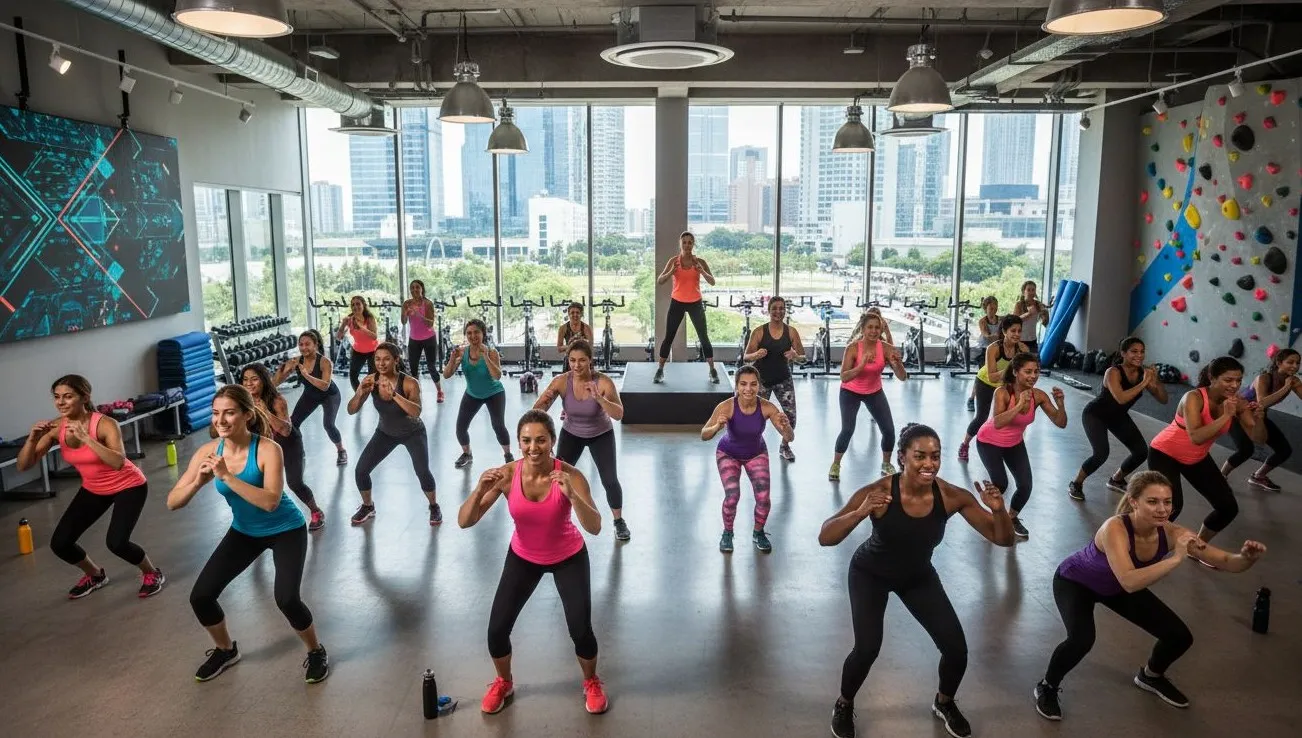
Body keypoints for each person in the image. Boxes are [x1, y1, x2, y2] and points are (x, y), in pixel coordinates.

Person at [821, 423, 1014, 738]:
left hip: (917, 575)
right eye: (920, 456)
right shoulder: (879, 491)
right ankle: (844, 703)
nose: (929, 464)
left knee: (956, 649)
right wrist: (861, 512)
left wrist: (999, 511)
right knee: (868, 648)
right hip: (870, 573)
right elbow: (825, 537)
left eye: (935, 457)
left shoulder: (951, 496)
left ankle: (944, 702)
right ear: (902, 458)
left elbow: (1002, 538)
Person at [1033, 471, 1266, 721]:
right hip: (1076, 582)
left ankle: (1151, 676)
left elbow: (1227, 561)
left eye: (1167, 502)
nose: (1162, 509)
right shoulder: (1115, 528)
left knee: (1179, 636)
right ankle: (1047, 686)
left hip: (1115, 588)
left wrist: (1246, 558)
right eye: (1152, 501)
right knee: (1081, 639)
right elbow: (1130, 581)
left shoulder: (1174, 533)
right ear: (1134, 502)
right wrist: (1177, 558)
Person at [166, 384, 328, 684]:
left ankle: (316, 650)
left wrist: (226, 475)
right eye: (216, 413)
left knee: (287, 599)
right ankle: (226, 650)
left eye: (229, 413)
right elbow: (173, 501)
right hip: (244, 531)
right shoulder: (207, 451)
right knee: (201, 596)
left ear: (247, 415)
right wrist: (198, 482)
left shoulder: (268, 449)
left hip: (286, 530)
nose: (221, 420)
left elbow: (270, 501)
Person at [458, 410, 608, 716]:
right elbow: (465, 521)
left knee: (580, 630)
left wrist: (572, 496)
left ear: (552, 441)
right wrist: (478, 490)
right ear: (518, 441)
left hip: (568, 556)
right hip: (524, 556)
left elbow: (595, 526)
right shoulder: (507, 475)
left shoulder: (570, 475)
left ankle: (591, 680)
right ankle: (504, 681)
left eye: (541, 440)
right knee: (496, 631)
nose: (533, 447)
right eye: (526, 440)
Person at [17, 375, 165, 599]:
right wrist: (32, 439)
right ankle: (95, 575)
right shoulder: (56, 427)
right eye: (57, 397)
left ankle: (151, 572)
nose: (61, 402)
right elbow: (24, 465)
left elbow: (118, 462)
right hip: (94, 488)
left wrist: (87, 438)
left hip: (128, 485)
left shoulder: (105, 424)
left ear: (84, 397)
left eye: (68, 396)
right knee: (60, 543)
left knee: (117, 543)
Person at [1146, 357, 1264, 544]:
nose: (1234, 385)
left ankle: (1198, 546)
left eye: (1239, 380)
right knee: (1172, 506)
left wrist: (1259, 418)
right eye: (1228, 380)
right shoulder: (1193, 398)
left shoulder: (1236, 402)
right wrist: (1226, 415)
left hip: (1195, 458)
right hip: (1164, 453)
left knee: (1227, 507)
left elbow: (1259, 438)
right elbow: (1197, 437)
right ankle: (1139, 544)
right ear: (1212, 378)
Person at [535, 339, 630, 541]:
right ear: (568, 360)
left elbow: (619, 414)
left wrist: (600, 400)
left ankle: (618, 521)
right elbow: (538, 410)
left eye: (582, 360)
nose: (577, 365)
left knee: (610, 480)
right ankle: (550, 518)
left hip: (601, 434)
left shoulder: (603, 382)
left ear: (590, 360)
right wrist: (546, 437)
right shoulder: (561, 381)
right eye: (572, 360)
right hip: (571, 434)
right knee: (556, 476)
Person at [973, 352, 1068, 539]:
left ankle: (1010, 517)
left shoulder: (1039, 396)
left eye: (1036, 371)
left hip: (1014, 443)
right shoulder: (1002, 392)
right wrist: (1018, 405)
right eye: (1028, 372)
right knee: (1001, 483)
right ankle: (985, 515)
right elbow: (998, 422)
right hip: (988, 441)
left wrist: (1061, 405)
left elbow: (1061, 422)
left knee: (1025, 485)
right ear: (1016, 372)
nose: (1033, 376)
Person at [701, 364, 794, 552]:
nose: (748, 389)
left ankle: (758, 532)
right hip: (728, 453)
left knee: (763, 497)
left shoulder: (767, 407)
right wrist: (717, 428)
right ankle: (728, 533)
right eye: (743, 384)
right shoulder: (727, 406)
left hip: (756, 453)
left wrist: (786, 427)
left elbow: (789, 437)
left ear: (759, 386)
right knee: (732, 495)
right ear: (737, 386)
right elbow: (704, 434)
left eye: (753, 384)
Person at [346, 342, 440, 527]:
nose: (381, 363)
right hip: (385, 433)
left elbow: (416, 412)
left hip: (413, 433)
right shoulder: (371, 381)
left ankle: (434, 505)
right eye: (377, 359)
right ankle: (368, 506)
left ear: (396, 360)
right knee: (361, 470)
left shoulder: (409, 383)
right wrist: (360, 393)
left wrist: (395, 395)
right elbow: (351, 410)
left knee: (422, 472)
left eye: (386, 359)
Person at [1068, 337, 1169, 501]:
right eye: (1134, 351)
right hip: (1096, 414)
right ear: (1123, 353)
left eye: (1142, 352)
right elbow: (1121, 398)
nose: (1139, 355)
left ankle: (1116, 479)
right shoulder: (1113, 372)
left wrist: (1155, 381)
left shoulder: (1141, 373)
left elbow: (1163, 399)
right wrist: (1144, 383)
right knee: (1101, 454)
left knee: (1141, 451)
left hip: (1118, 416)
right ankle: (1076, 483)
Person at [242, 364, 325, 531]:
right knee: (254, 481)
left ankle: (316, 511)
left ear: (263, 381)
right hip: (266, 448)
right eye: (245, 380)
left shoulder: (277, 401)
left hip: (289, 444)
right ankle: (259, 519)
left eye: (254, 379)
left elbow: (285, 430)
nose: (249, 384)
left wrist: (264, 410)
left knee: (295, 483)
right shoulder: (245, 402)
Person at [829, 311, 907, 482]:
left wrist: (897, 363)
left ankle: (886, 464)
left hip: (874, 391)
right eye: (870, 327)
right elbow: (844, 377)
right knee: (847, 430)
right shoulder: (853, 348)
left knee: (888, 430)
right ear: (863, 329)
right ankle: (836, 464)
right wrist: (862, 364)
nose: (873, 331)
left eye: (877, 328)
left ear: (881, 330)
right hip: (850, 391)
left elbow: (902, 377)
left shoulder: (886, 348)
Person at [1221, 347, 1300, 490]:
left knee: (1284, 450)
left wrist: (1294, 384)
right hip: (1237, 413)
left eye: (1298, 363)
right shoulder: (1263, 378)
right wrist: (1287, 386)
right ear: (1279, 363)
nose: (1295, 366)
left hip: (1258, 415)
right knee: (1246, 449)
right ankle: (1221, 477)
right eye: (1290, 362)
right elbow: (1262, 402)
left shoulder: (1293, 381)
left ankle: (1258, 477)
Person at [444, 319, 514, 470]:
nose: (473, 336)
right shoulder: (462, 352)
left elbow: (497, 376)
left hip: (494, 393)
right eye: (469, 333)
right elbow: (447, 375)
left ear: (483, 334)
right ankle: (467, 454)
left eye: (476, 332)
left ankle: (508, 455)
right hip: (472, 393)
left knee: (498, 425)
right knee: (460, 428)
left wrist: (486, 357)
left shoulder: (492, 352)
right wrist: (451, 360)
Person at [742, 296, 804, 462]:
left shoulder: (791, 332)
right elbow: (746, 357)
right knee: (755, 417)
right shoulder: (759, 331)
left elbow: (804, 357)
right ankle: (752, 446)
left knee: (790, 417)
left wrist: (795, 356)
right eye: (775, 308)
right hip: (762, 381)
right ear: (769, 311)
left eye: (781, 308)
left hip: (783, 380)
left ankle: (785, 446)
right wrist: (756, 354)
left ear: (785, 310)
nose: (778, 311)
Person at [958, 315, 1028, 462]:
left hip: (1005, 385)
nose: (1016, 334)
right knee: (982, 418)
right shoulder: (993, 348)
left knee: (1007, 418)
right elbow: (992, 376)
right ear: (1004, 331)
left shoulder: (1022, 349)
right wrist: (1011, 367)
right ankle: (965, 444)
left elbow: (1024, 372)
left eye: (1019, 331)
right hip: (986, 382)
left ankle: (1004, 448)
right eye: (1013, 330)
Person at [654, 231, 720, 384]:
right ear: (680, 244)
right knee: (669, 337)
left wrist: (701, 271)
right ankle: (660, 369)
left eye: (690, 242)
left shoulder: (700, 262)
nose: (687, 245)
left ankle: (712, 370)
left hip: (695, 302)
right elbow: (660, 280)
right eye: (684, 242)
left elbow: (712, 281)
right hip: (677, 302)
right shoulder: (673, 261)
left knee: (703, 337)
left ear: (693, 244)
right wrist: (672, 271)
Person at [276, 330, 347, 466]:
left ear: (315, 345)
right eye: (301, 345)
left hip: (329, 396)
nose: (304, 348)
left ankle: (341, 450)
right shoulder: (296, 361)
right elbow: (278, 379)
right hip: (310, 395)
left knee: (329, 425)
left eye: (307, 344)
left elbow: (325, 386)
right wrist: (279, 375)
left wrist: (306, 375)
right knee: (294, 423)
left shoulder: (325, 362)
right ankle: (299, 450)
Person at [402, 279, 445, 404]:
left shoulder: (427, 303)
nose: (415, 290)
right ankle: (416, 393)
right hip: (414, 339)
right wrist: (406, 313)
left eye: (417, 287)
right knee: (413, 369)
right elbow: (404, 322)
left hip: (429, 338)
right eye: (412, 287)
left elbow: (430, 324)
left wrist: (417, 313)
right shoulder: (407, 303)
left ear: (422, 289)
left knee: (431, 367)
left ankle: (440, 391)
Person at [336, 294, 379, 390]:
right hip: (357, 351)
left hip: (373, 351)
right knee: (353, 376)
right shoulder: (349, 319)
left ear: (363, 305)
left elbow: (374, 337)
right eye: (353, 305)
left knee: (372, 377)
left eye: (358, 304)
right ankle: (359, 396)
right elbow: (338, 337)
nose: (355, 307)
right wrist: (343, 324)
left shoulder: (369, 318)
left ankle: (375, 396)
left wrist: (361, 328)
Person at [967, 296, 1001, 412]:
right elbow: (986, 335)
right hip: (984, 350)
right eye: (991, 308)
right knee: (983, 376)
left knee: (998, 376)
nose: (993, 311)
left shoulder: (1000, 320)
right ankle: (972, 399)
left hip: (997, 350)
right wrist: (998, 336)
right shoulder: (983, 321)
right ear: (986, 309)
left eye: (995, 308)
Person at [1014, 281, 1050, 356]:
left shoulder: (1038, 304)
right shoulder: (1019, 304)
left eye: (1033, 290)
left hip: (1033, 340)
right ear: (1024, 291)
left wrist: (1045, 315)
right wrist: (1028, 314)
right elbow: (1014, 321)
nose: (1031, 292)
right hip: (1019, 340)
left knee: (1035, 363)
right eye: (1028, 290)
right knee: (1020, 364)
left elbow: (1045, 323)